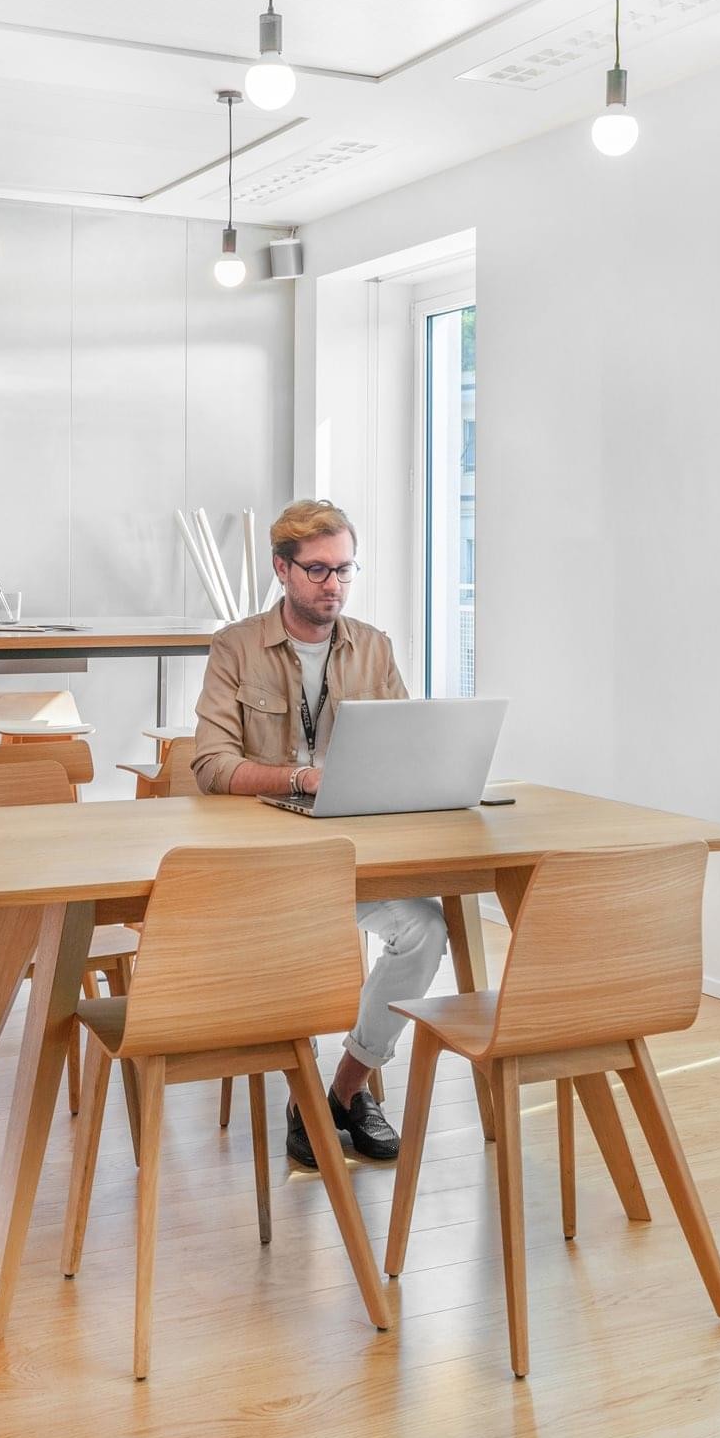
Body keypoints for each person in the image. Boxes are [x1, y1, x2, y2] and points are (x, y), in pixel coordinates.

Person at [193, 497, 447, 1169]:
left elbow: (403, 748)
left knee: (426, 925)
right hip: (260, 858)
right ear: (282, 569)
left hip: (349, 850)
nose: (333, 584)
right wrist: (297, 780)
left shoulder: (375, 646)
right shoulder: (236, 647)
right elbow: (210, 766)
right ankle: (306, 1101)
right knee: (301, 946)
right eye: (317, 571)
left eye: (344, 570)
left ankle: (343, 1091)